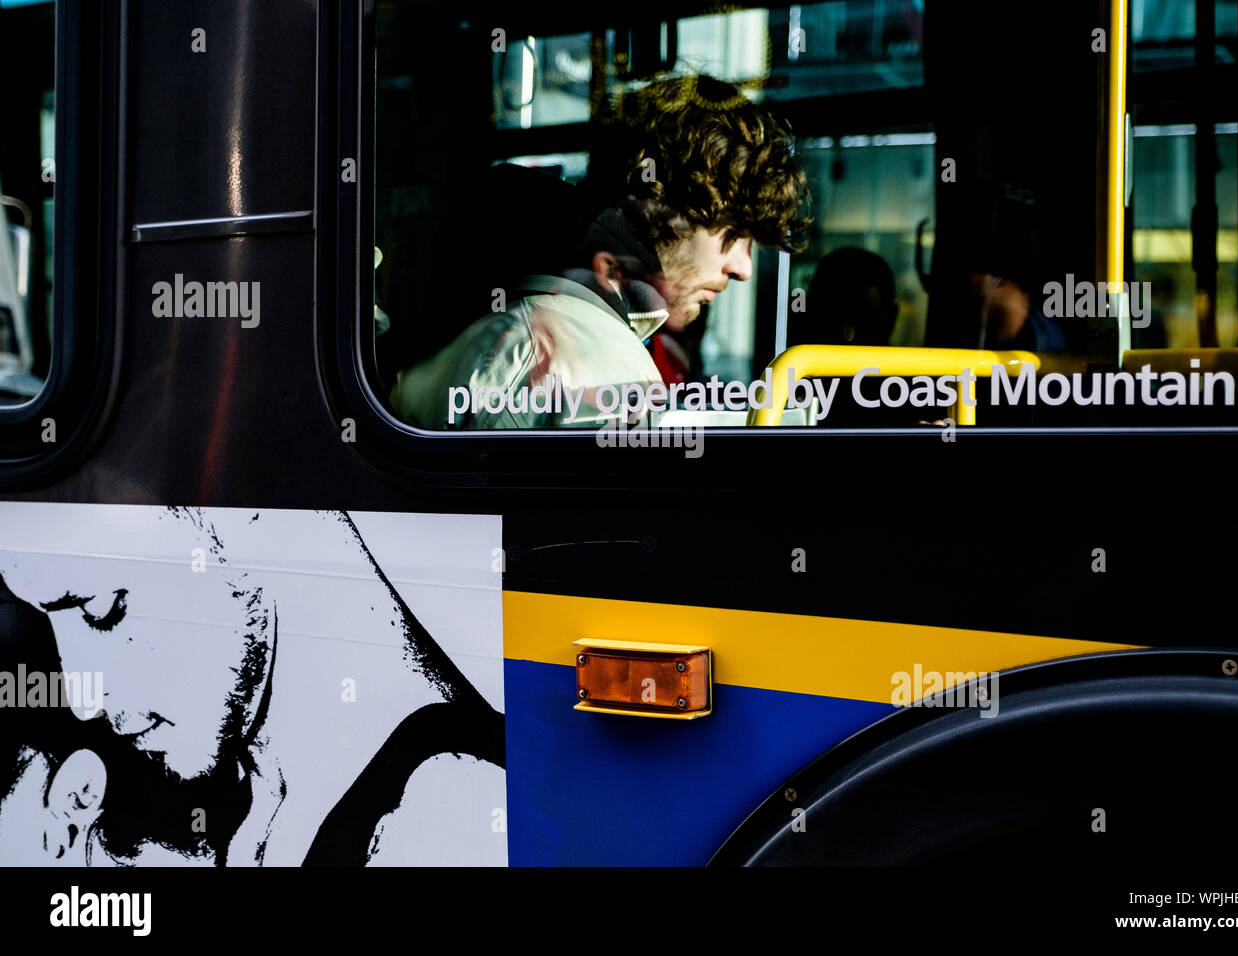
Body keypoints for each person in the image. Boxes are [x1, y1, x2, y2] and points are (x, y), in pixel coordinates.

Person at [0, 505, 504, 866]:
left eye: (104, 611)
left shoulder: (447, 806)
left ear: (250, 516)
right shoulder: (254, 804)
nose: (87, 703)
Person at [389, 74, 811, 429]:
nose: (743, 269)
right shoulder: (601, 366)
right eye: (733, 234)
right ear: (655, 214)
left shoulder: (523, 328)